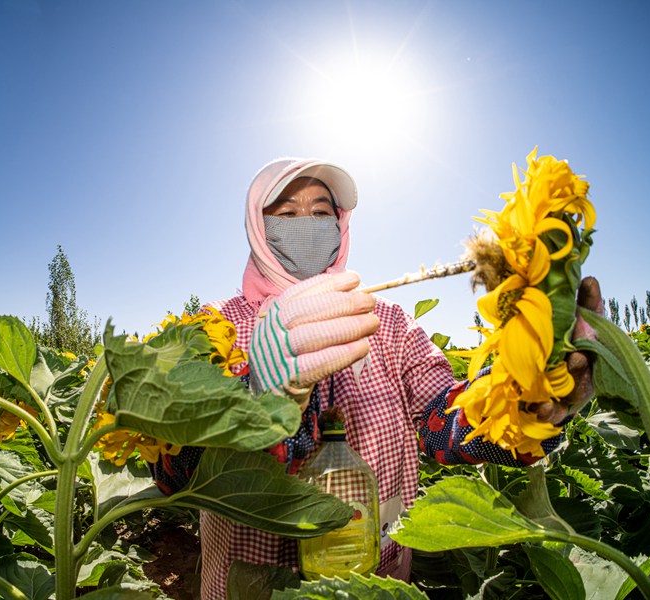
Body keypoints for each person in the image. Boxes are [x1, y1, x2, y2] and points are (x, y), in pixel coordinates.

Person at [153, 157, 603, 600]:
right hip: (252, 586)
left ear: (341, 225)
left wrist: (527, 393)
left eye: (321, 212)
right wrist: (249, 401)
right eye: (286, 214)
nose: (306, 224)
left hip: (376, 584)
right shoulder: (216, 330)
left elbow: (443, 423)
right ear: (258, 227)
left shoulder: (387, 325)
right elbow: (173, 474)